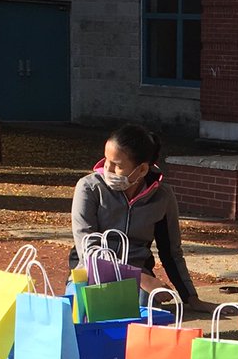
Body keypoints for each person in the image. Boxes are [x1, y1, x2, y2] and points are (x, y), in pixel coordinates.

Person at [70, 123, 209, 312]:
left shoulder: (163, 196)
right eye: (106, 160)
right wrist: (141, 278)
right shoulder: (89, 188)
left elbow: (171, 252)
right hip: (92, 275)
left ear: (142, 170)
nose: (107, 169)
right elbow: (88, 250)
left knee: (144, 313)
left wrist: (191, 298)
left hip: (138, 282)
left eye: (117, 165)